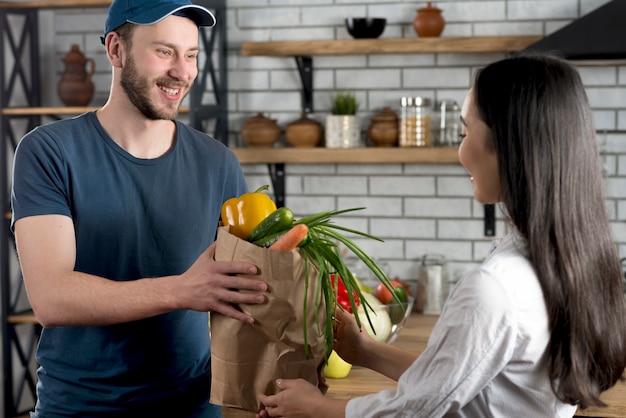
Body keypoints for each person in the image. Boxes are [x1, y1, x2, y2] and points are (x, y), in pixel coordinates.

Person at [256, 52, 626, 418]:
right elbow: (458, 379)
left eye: (466, 132)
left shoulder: (495, 288)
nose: (460, 150)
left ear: (507, 146)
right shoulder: (565, 261)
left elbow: (418, 409)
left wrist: (319, 408)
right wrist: (366, 350)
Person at [10, 0, 267, 417]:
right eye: (164, 51)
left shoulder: (218, 162)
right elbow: (51, 298)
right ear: (116, 50)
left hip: (195, 406)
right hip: (80, 407)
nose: (182, 72)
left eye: (191, 55)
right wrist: (183, 290)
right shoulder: (48, 151)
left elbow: (243, 290)